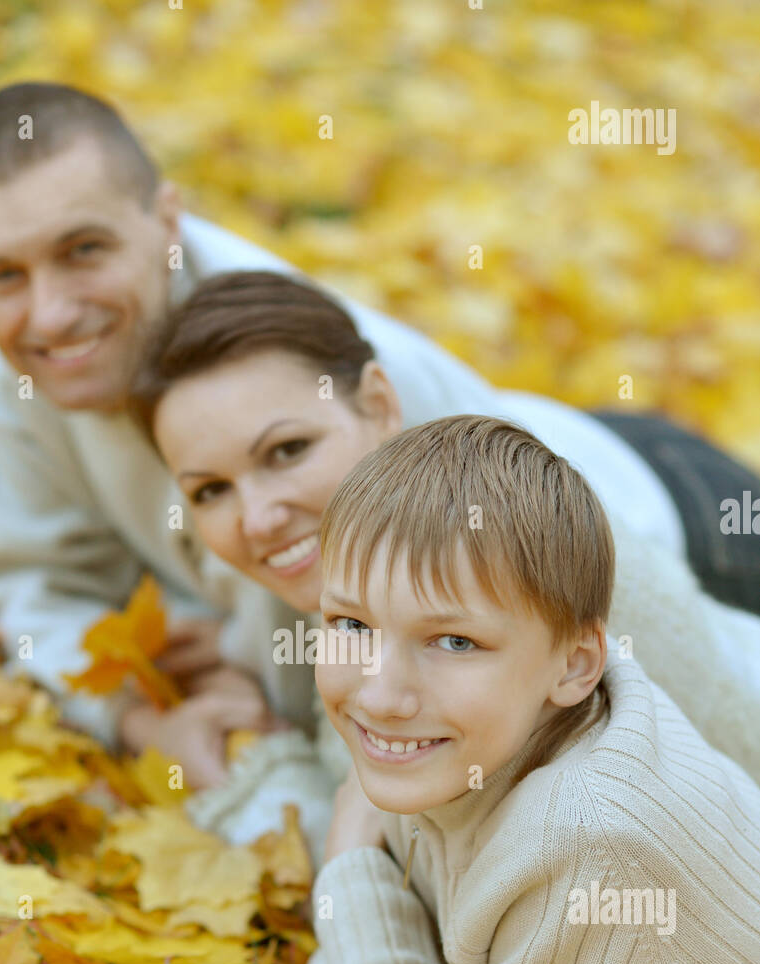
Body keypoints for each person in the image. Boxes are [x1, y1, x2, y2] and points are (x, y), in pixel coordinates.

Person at [0, 82, 759, 793]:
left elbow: (454, 668)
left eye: (84, 250)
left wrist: (230, 668)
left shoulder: (354, 384)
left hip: (666, 520)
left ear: (168, 220)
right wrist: (141, 712)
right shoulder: (25, 355)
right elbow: (31, 586)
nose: (47, 312)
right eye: (2, 276)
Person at [271, 415, 760, 964]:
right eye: (351, 625)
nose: (380, 692)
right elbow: (393, 952)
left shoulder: (594, 845)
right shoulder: (473, 738)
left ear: (575, 663)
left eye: (453, 641)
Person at [135, 268, 760, 864]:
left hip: (698, 503)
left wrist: (250, 766)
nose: (259, 518)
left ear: (381, 406)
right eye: (211, 490)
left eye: (289, 450)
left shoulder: (534, 577)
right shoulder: (364, 587)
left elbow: (417, 893)